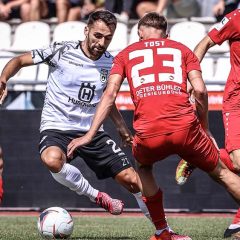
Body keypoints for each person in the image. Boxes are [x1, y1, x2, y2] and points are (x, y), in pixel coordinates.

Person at [66, 12, 240, 240]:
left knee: (144, 167)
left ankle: (162, 232)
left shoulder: (125, 55)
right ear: (166, 35)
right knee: (222, 173)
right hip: (187, 129)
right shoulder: (182, 49)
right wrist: (205, 128)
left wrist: (89, 134)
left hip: (149, 134)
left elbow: (108, 96)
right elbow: (200, 91)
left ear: (139, 34)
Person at [0, 10, 156, 221]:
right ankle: (97, 196)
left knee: (132, 180)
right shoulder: (61, 51)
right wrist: (3, 79)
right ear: (86, 31)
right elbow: (18, 61)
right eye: (97, 36)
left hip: (91, 131)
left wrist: (121, 127)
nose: (101, 42)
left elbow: (107, 100)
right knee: (52, 160)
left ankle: (163, 230)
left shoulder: (111, 64)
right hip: (57, 127)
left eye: (108, 38)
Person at [175, 8, 240, 239]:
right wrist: (191, 79)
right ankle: (199, 156)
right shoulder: (236, 18)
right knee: (238, 163)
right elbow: (203, 45)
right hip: (237, 101)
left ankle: (238, 223)